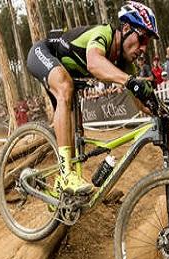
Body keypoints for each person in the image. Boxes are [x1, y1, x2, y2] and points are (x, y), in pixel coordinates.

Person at [26, 1, 158, 194]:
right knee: (65, 86)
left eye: (148, 43)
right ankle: (65, 175)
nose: (144, 48)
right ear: (127, 28)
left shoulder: (126, 65)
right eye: (143, 39)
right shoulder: (104, 33)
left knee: (71, 123)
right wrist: (131, 82)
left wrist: (161, 108)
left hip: (64, 70)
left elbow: (139, 103)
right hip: (43, 52)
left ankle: (60, 188)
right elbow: (94, 64)